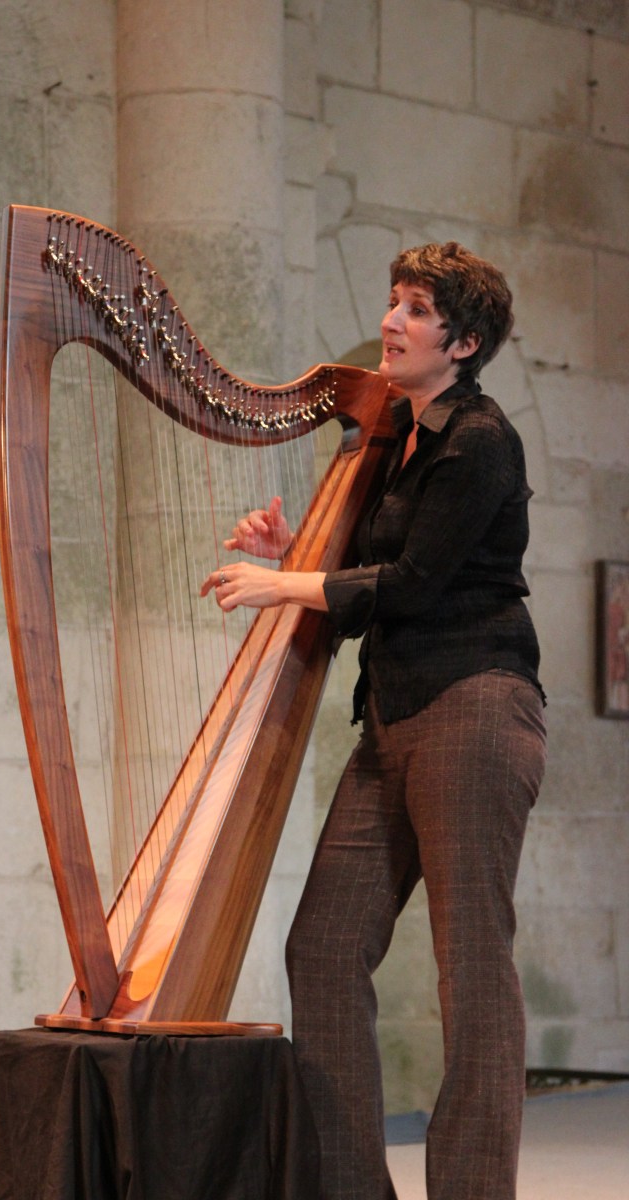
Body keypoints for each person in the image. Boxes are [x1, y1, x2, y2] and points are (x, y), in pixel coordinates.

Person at [201, 242, 546, 1200]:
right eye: (394, 301)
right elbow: (358, 568)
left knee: (471, 967)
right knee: (321, 947)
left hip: (475, 704)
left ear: (464, 343)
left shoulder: (480, 439)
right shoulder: (394, 443)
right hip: (392, 716)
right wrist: (290, 552)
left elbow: (414, 584)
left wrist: (282, 587)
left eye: (417, 309)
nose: (391, 321)